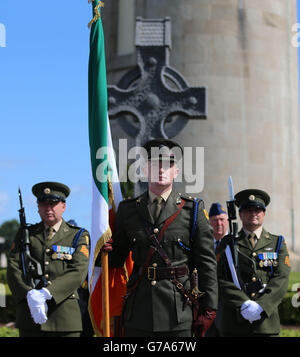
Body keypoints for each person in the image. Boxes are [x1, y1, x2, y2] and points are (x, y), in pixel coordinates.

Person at [103, 138, 218, 337]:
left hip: (178, 312)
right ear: (144, 170)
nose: (161, 169)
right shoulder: (127, 210)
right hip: (138, 312)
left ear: (176, 171)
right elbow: (116, 259)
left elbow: (206, 263)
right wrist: (101, 250)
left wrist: (209, 308)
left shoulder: (192, 210)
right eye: (155, 164)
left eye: (168, 165)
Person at [7, 182, 90, 337]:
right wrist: (29, 296)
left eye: (53, 203)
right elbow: (13, 268)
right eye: (43, 204)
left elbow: (78, 271)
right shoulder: (26, 234)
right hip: (30, 318)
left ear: (63, 206)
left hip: (64, 318)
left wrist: (47, 293)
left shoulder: (78, 236)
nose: (48, 208)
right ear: (38, 207)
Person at [216, 189, 291, 337]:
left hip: (266, 324)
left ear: (264, 213)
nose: (253, 213)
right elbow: (218, 278)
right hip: (233, 324)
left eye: (258, 209)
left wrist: (261, 305)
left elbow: (281, 279)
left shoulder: (278, 243)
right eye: (248, 209)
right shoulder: (227, 244)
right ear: (240, 214)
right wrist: (243, 303)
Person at [205, 202, 228, 337]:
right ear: (209, 222)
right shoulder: (204, 244)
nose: (219, 223)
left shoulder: (234, 244)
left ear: (227, 221)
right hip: (208, 304)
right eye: (215, 220)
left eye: (222, 219)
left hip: (227, 305)